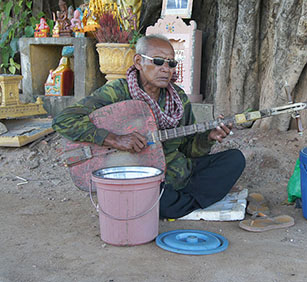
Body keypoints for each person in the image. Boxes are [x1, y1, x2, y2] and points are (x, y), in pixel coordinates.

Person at [52, 34, 245, 219]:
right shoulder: (118, 91)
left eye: (171, 63)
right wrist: (114, 139)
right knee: (158, 199)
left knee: (234, 160)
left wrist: (208, 138)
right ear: (138, 62)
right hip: (139, 177)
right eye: (158, 61)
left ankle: (172, 205)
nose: (166, 69)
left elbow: (187, 149)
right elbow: (63, 119)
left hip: (176, 171)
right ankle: (179, 203)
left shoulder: (177, 99)